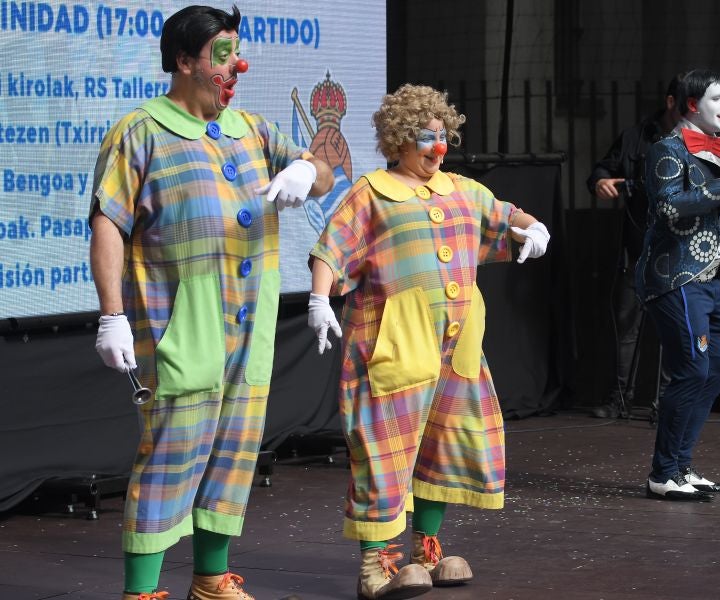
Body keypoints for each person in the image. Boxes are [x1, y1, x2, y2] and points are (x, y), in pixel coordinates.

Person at [89, 6, 333, 599]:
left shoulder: (251, 128)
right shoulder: (141, 130)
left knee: (233, 453)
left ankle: (212, 580)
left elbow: (325, 175)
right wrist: (111, 315)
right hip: (183, 320)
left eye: (237, 51)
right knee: (170, 458)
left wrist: (306, 168)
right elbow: (108, 223)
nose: (237, 64)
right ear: (183, 60)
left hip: (251, 317)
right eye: (222, 54)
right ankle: (142, 592)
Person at [306, 83, 551, 599]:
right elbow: (331, 249)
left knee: (441, 447)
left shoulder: (463, 191)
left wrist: (534, 228)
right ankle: (376, 565)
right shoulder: (372, 193)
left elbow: (506, 215)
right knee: (384, 451)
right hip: (392, 347)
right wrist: (319, 299)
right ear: (399, 140)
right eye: (426, 137)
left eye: (443, 136)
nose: (438, 147)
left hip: (454, 351)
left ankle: (427, 549)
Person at [635, 69, 720, 502]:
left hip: (707, 281)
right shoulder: (666, 150)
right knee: (693, 369)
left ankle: (682, 467)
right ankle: (663, 473)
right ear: (692, 105)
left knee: (716, 371)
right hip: (674, 276)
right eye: (718, 98)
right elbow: (671, 211)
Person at [585, 75, 681, 418]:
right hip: (639, 248)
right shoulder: (636, 137)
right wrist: (600, 182)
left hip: (682, 254)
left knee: (677, 327)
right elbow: (602, 170)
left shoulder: (701, 141)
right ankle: (620, 398)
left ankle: (670, 402)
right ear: (671, 102)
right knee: (627, 325)